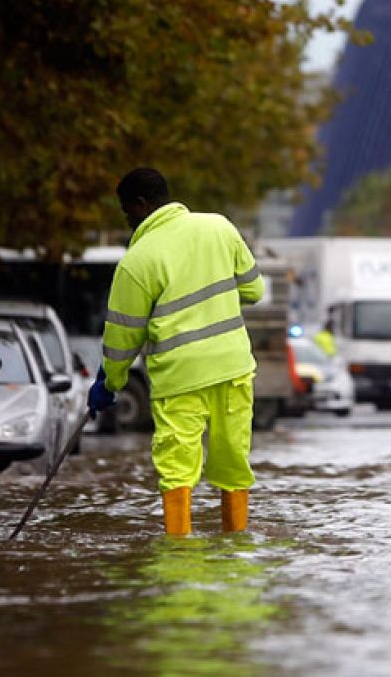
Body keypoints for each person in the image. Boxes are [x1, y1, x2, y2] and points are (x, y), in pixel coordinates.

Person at [88, 168, 265, 536]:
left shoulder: (137, 262)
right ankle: (236, 547)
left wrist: (111, 381)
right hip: (232, 367)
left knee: (177, 469)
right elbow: (254, 291)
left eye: (126, 211)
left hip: (179, 378)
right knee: (233, 461)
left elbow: (123, 336)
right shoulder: (219, 227)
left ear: (141, 205)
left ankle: (180, 555)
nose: (128, 219)